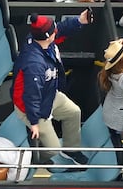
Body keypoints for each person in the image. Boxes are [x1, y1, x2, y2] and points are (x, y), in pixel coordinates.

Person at [13, 11, 91, 160]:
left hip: (49, 96)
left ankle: (71, 150)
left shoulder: (40, 38)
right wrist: (34, 122)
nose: (57, 31)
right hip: (31, 108)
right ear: (48, 36)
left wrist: (79, 21)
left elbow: (61, 28)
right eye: (54, 31)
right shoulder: (34, 64)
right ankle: (31, 157)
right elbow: (31, 96)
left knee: (74, 112)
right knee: (52, 150)